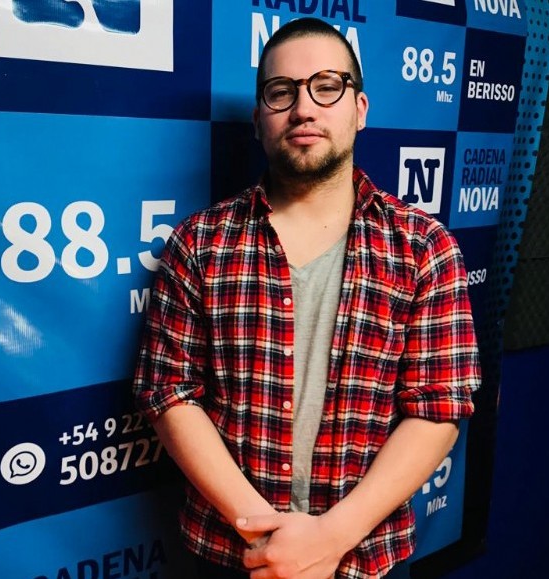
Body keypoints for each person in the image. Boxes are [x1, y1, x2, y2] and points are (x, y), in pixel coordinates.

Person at [133, 17, 480, 579]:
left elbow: (438, 410)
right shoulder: (199, 242)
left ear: (359, 109)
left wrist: (331, 538)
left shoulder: (424, 247)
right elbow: (168, 393)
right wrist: (270, 539)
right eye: (281, 91)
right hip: (232, 553)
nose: (303, 108)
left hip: (362, 555)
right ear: (258, 119)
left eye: (327, 87)